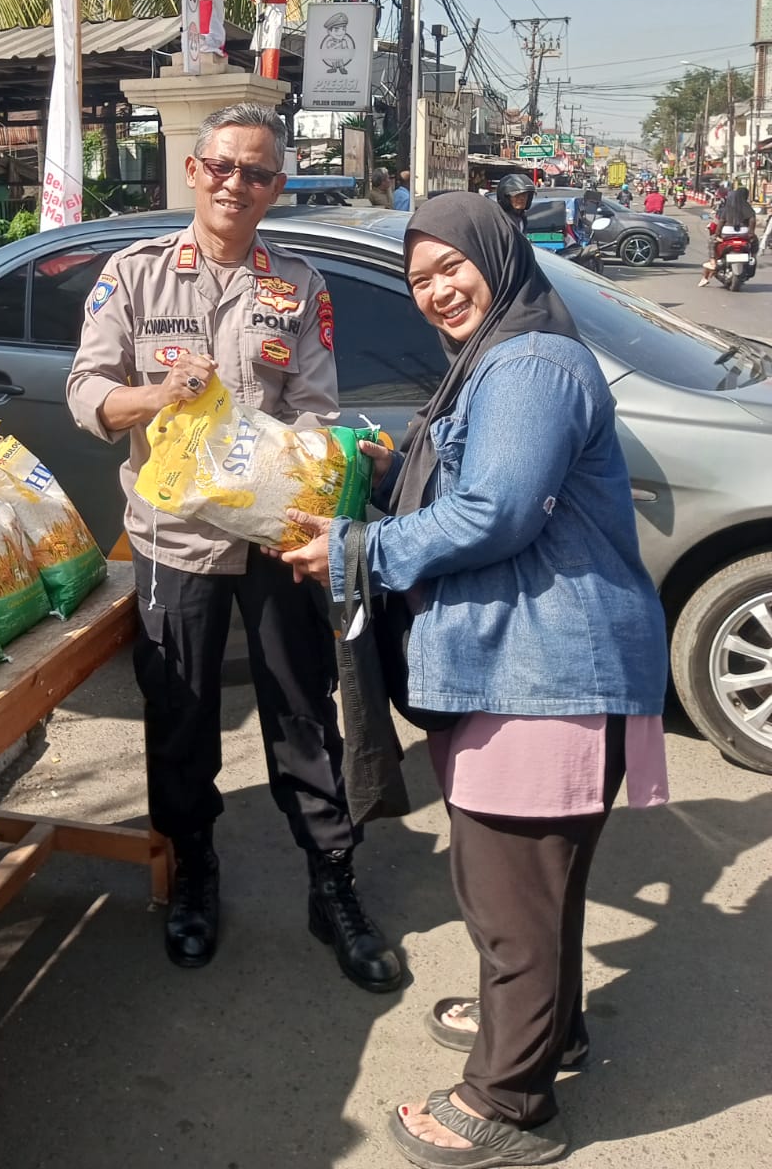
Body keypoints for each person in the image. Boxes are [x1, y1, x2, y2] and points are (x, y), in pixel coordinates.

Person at [277, 193, 668, 1169]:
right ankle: (544, 1029)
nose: (438, 290)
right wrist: (393, 472)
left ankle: (508, 1101)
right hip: (523, 667)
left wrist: (357, 548)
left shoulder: (529, 362)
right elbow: (477, 480)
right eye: (420, 280)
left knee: (509, 899)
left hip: (543, 674)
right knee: (532, 888)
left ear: (499, 257)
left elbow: (497, 510)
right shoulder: (497, 358)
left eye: (452, 266)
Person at [66, 102, 401, 990]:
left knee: (302, 711)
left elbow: (315, 408)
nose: (234, 184)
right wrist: (157, 394)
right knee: (181, 717)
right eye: (221, 166)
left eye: (255, 173)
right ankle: (193, 874)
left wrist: (320, 471)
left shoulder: (299, 285)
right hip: (174, 539)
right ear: (193, 170)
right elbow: (87, 394)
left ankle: (332, 881)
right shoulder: (134, 274)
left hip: (274, 541)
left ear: (275, 187)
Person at [698, 183, 756, 287]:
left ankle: (712, 261)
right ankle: (753, 256)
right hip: (744, 234)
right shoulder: (747, 208)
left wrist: (717, 235)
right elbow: (752, 221)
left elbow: (720, 222)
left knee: (712, 241)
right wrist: (751, 234)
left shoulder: (725, 209)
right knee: (755, 242)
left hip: (727, 234)